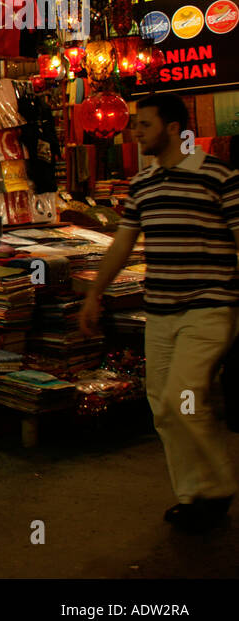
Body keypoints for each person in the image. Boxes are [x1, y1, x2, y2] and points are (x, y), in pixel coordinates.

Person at [79, 93, 239, 534]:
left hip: (208, 309)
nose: (136, 132)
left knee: (182, 401)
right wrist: (95, 293)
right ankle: (193, 497)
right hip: (161, 313)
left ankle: (219, 484)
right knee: (163, 408)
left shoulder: (220, 176)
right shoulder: (144, 185)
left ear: (172, 128)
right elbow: (122, 244)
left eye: (144, 125)